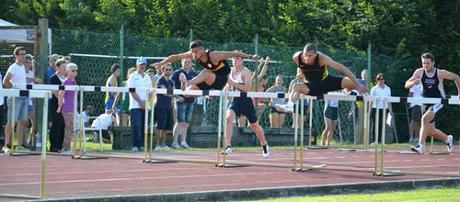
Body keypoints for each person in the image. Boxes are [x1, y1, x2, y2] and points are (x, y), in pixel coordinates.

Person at [277, 43, 366, 111]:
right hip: (312, 86)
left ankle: (347, 90)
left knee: (352, 82)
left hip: (326, 81)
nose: (307, 58)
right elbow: (302, 68)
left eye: (310, 56)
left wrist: (358, 85)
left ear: (316, 54)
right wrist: (302, 73)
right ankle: (290, 105)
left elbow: (342, 69)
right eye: (305, 55)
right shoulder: (297, 57)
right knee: (296, 86)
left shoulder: (322, 58)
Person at [151, 40, 260, 92]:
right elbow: (175, 57)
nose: (193, 55)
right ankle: (192, 88)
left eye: (196, 52)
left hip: (222, 78)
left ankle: (187, 82)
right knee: (190, 90)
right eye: (192, 52)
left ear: (202, 50)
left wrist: (250, 56)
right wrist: (161, 63)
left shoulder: (214, 55)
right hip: (210, 79)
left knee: (205, 72)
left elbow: (233, 53)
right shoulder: (193, 55)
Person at [405, 53, 459, 154]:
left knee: (424, 119)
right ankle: (448, 139)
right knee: (430, 131)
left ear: (433, 63)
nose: (425, 65)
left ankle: (420, 146)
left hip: (438, 101)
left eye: (428, 63)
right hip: (425, 102)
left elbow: (456, 77)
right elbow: (406, 84)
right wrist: (413, 83)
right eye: (423, 63)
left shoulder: (440, 73)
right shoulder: (419, 72)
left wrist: (459, 93)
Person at [221, 56, 269, 158]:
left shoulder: (246, 72)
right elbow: (228, 86)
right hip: (235, 101)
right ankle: (228, 146)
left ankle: (264, 144)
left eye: (237, 58)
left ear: (242, 60)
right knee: (228, 119)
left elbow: (247, 88)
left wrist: (233, 83)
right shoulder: (230, 71)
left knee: (254, 125)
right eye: (233, 58)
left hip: (246, 101)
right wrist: (226, 89)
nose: (234, 60)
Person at [2, 47, 41, 154]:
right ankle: (7, 145)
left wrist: (34, 80)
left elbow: (22, 79)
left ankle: (19, 145)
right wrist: (15, 90)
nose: (24, 56)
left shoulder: (23, 67)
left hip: (24, 97)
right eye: (22, 54)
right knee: (11, 121)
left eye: (25, 54)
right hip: (15, 97)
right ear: (17, 56)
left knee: (22, 121)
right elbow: (6, 82)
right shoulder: (13, 67)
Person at [171, 58, 198, 149]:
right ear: (182, 63)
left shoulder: (194, 74)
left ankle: (183, 141)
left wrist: (195, 96)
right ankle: (175, 142)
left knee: (186, 123)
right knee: (179, 122)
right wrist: (177, 97)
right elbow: (171, 86)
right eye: (185, 62)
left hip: (191, 101)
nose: (187, 63)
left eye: (189, 62)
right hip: (180, 101)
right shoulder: (177, 73)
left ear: (191, 63)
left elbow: (198, 86)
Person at [128, 57, 152, 152]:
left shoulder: (147, 77)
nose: (142, 66)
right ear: (137, 65)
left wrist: (146, 102)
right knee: (136, 126)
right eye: (140, 64)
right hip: (135, 106)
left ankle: (142, 145)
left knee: (144, 126)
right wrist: (140, 102)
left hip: (146, 106)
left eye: (144, 64)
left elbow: (150, 92)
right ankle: (135, 145)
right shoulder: (132, 76)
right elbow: (132, 91)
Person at [57, 63, 78, 153]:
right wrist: (60, 106)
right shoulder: (65, 82)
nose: (75, 72)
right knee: (69, 128)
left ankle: (67, 146)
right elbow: (61, 95)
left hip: (73, 108)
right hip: (67, 108)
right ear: (68, 72)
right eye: (73, 70)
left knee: (72, 128)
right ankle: (65, 147)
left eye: (76, 70)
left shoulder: (74, 82)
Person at [48, 58, 67, 152]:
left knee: (63, 125)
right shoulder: (53, 78)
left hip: (65, 105)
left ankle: (60, 146)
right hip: (56, 105)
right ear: (57, 67)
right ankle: (53, 146)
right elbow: (56, 92)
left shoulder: (66, 79)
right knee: (56, 124)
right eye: (63, 67)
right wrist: (62, 102)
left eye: (66, 67)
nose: (65, 69)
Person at [154, 63, 175, 151]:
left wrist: (172, 95)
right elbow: (165, 93)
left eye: (170, 70)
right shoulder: (160, 80)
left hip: (168, 106)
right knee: (159, 126)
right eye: (166, 69)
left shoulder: (171, 81)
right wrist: (171, 94)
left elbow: (172, 93)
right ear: (162, 70)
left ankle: (163, 144)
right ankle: (157, 145)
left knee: (166, 127)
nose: (168, 71)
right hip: (160, 106)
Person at [369, 73, 393, 143]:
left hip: (384, 109)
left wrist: (390, 110)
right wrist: (369, 110)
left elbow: (389, 101)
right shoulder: (374, 89)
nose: (380, 81)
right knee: (375, 125)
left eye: (382, 79)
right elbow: (371, 100)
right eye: (378, 79)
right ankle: (374, 140)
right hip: (375, 108)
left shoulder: (388, 89)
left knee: (382, 125)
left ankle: (379, 141)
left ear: (384, 80)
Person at [24, 54, 42, 149]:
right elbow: (23, 79)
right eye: (26, 62)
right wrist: (34, 79)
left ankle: (30, 141)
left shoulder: (31, 73)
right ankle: (20, 142)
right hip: (21, 99)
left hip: (30, 101)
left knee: (34, 122)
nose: (28, 64)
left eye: (29, 62)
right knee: (21, 122)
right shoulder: (21, 72)